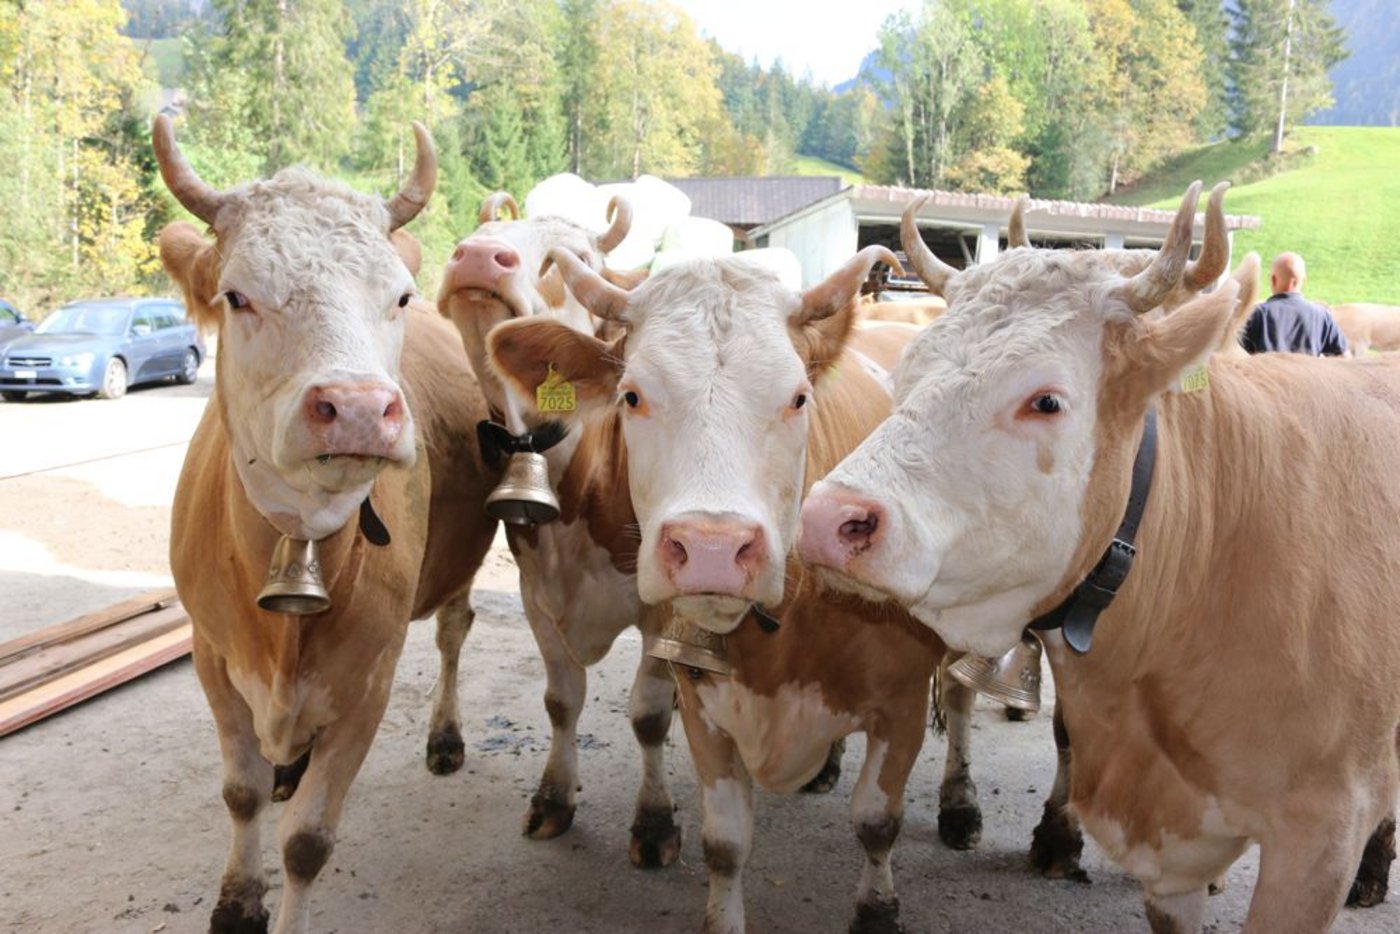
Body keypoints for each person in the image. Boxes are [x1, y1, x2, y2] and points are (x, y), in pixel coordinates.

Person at [1241, 251, 1349, 356]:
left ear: (1273, 280)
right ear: (1303, 280)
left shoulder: (1256, 315)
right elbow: (1344, 358)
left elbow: (1235, 356)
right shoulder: (1322, 316)